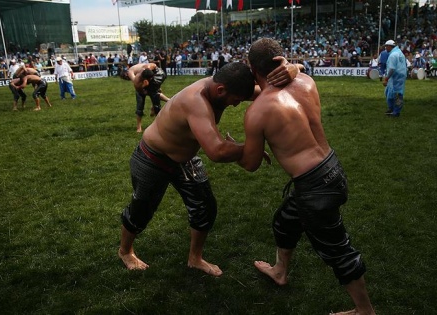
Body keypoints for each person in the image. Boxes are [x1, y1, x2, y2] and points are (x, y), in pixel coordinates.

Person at [118, 60, 301, 276]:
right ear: (221, 90)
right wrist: (250, 148)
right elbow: (217, 151)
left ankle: (195, 258)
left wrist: (293, 69)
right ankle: (125, 251)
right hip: (152, 157)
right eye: (235, 101)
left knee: (205, 207)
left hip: (184, 159)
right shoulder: (195, 100)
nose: (235, 105)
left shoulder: (225, 87)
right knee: (141, 209)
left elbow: (268, 91)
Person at [238, 37, 375, 315]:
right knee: (285, 222)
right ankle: (280, 271)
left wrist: (230, 148)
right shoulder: (307, 82)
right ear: (281, 60)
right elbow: (269, 89)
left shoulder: (257, 112)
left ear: (252, 68)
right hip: (331, 168)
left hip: (315, 187)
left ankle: (365, 311)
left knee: (337, 250)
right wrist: (297, 67)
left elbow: (251, 164)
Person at [127, 63, 170, 132]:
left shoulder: (150, 67)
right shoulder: (136, 79)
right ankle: (139, 127)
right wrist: (144, 88)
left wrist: (157, 89)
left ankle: (158, 121)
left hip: (154, 73)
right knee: (140, 104)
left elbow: (155, 69)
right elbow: (140, 90)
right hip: (142, 84)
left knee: (155, 97)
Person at [382, 40, 407, 118]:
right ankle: (393, 109)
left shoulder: (393, 55)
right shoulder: (400, 53)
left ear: (390, 46)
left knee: (395, 94)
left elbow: (392, 68)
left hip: (395, 76)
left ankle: (395, 111)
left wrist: (386, 78)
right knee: (394, 92)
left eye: (386, 46)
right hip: (400, 75)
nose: (385, 48)